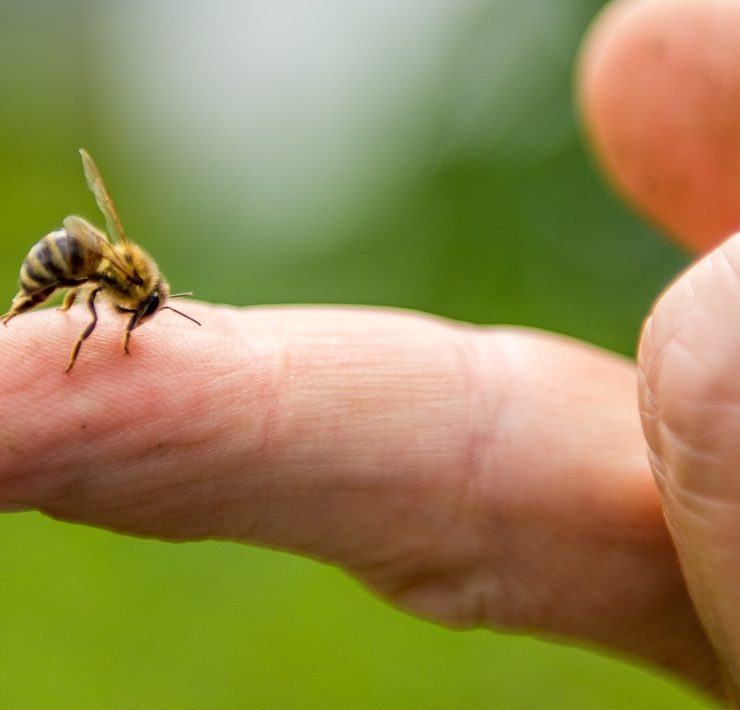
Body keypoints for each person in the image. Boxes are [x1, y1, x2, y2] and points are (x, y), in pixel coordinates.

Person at [1, 0, 737, 702]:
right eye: (148, 312)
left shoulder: (121, 277)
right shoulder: (115, 282)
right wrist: (88, 342)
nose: (145, 318)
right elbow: (97, 294)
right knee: (75, 296)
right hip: (77, 268)